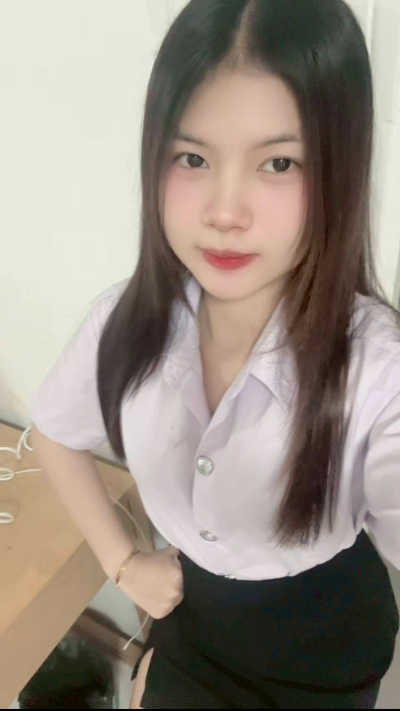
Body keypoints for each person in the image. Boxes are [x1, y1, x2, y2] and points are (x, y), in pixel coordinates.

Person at [29, 1, 400, 708]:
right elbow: (53, 433)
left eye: (279, 163)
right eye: (194, 158)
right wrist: (123, 561)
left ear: (340, 170)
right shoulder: (125, 321)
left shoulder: (378, 369)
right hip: (192, 618)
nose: (225, 211)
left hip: (327, 641)